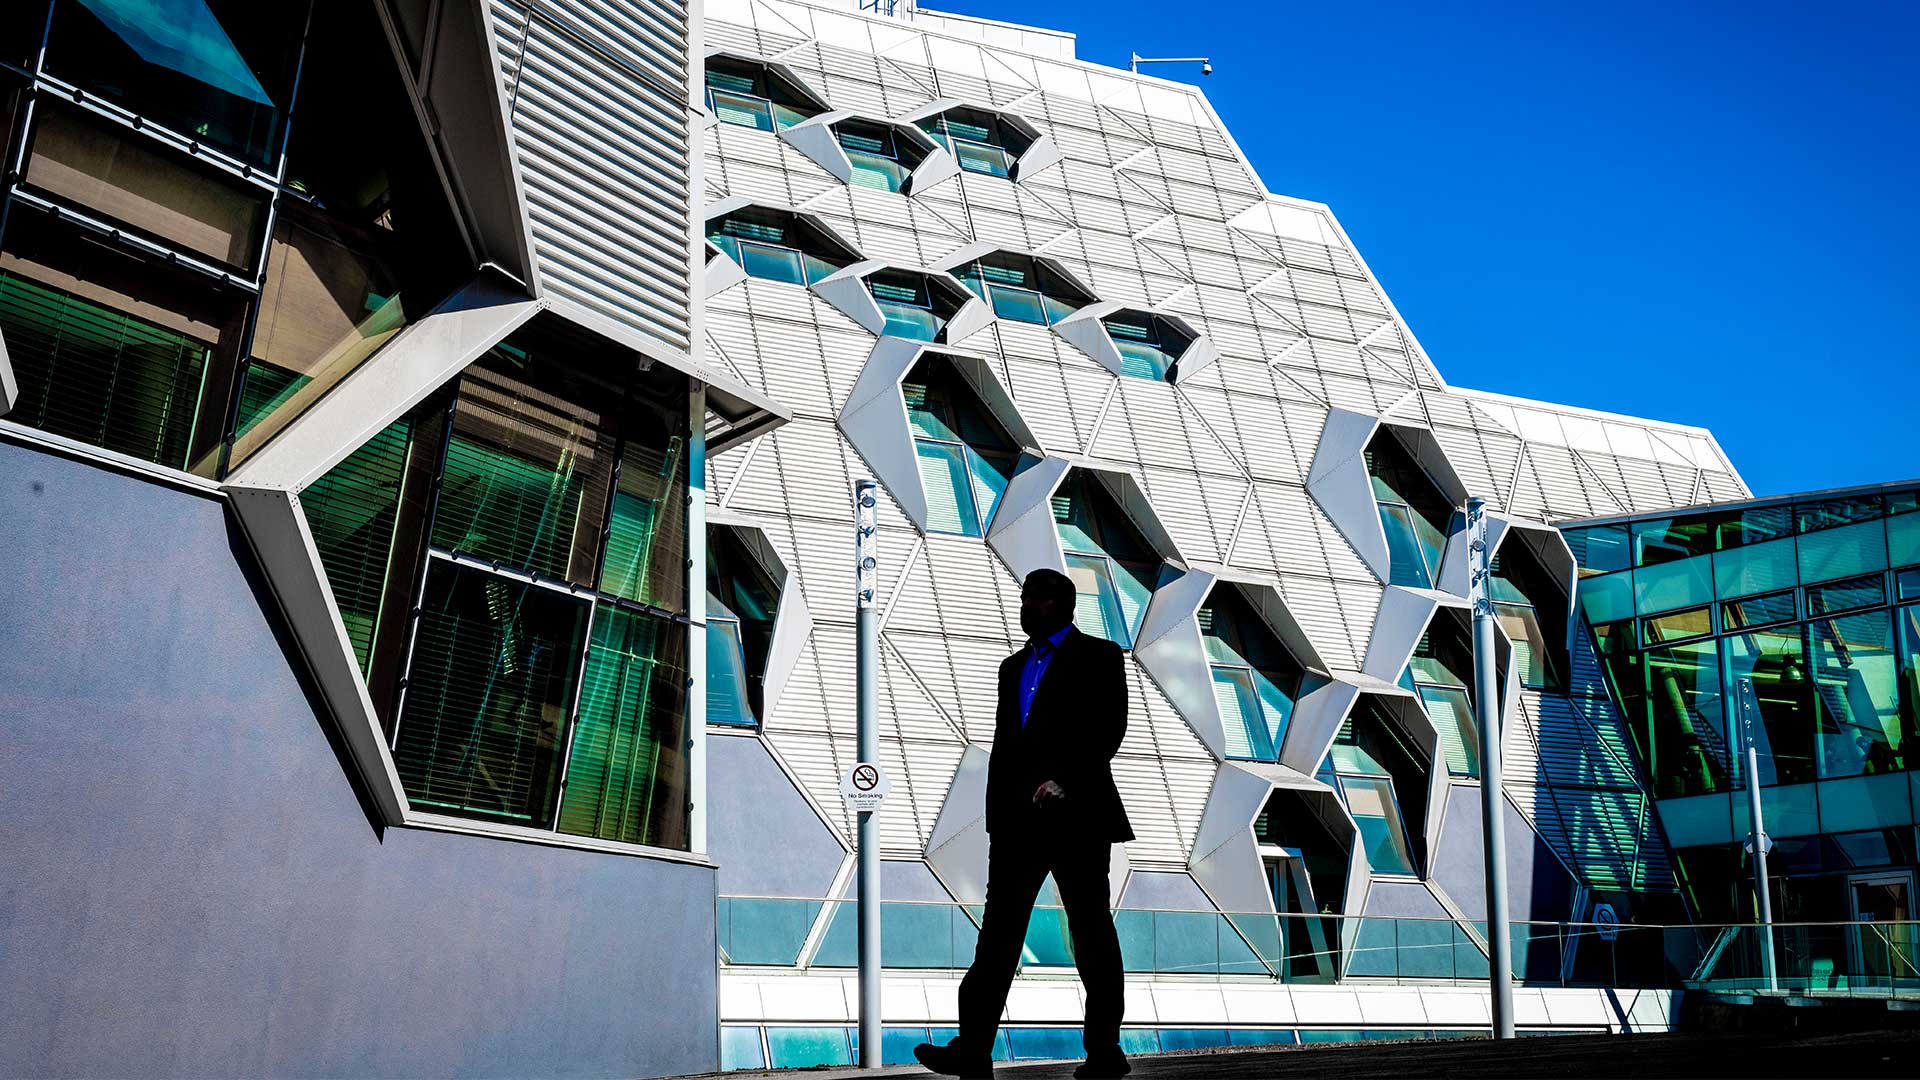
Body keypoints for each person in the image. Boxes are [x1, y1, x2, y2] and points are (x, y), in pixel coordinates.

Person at [915, 568, 1133, 1079]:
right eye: (1024, 597)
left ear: (1061, 604)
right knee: (996, 938)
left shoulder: (1100, 656)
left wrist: (1068, 782)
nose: (1026, 605)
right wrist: (998, 815)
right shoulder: (1011, 668)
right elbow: (1007, 746)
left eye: (1035, 598)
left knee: (1091, 932)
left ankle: (1104, 1051)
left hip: (1077, 819)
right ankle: (972, 1049)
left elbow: (1109, 728)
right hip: (1017, 826)